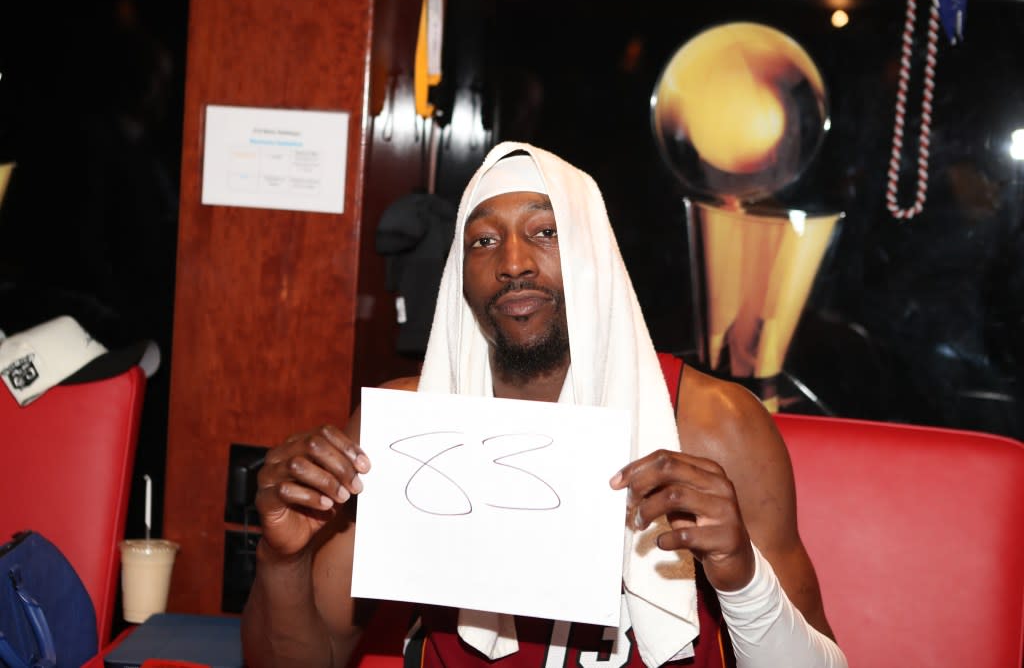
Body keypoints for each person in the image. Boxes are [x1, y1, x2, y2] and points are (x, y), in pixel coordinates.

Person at [241, 142, 848, 667]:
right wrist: (280, 557)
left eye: (545, 232)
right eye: (484, 240)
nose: (512, 263)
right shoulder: (405, 431)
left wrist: (741, 575)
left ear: (594, 257)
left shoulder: (712, 425)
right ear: (460, 274)